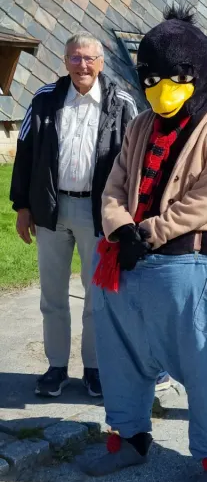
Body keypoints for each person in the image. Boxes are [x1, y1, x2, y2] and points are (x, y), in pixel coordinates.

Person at [82, 7, 207, 482]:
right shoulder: (140, 125)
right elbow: (114, 184)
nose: (163, 90)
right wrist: (120, 227)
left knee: (205, 363)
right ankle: (129, 436)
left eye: (177, 78)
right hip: (128, 260)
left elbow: (205, 198)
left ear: (199, 75)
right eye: (153, 79)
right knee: (120, 354)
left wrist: (149, 232)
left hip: (193, 260)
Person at [10, 33, 137, 398]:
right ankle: (56, 367)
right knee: (52, 294)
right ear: (65, 61)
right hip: (51, 208)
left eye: (89, 58)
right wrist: (22, 206)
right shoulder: (45, 98)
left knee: (98, 296)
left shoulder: (122, 103)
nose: (82, 65)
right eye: (75, 58)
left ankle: (95, 368)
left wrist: (128, 214)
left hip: (98, 212)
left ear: (101, 62)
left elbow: (135, 161)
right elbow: (25, 151)